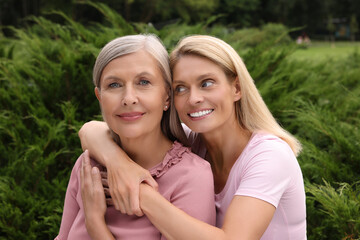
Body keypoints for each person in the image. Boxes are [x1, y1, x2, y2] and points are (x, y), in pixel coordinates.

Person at [79, 35, 307, 239]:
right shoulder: (191, 142)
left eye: (206, 83)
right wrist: (120, 165)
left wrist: (140, 191)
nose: (194, 98)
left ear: (236, 88)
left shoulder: (270, 156)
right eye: (181, 88)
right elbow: (91, 130)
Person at [55, 34, 216, 240]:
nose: (129, 98)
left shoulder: (192, 176)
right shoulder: (88, 165)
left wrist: (95, 224)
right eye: (114, 85)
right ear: (100, 97)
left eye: (143, 82)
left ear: (167, 96)